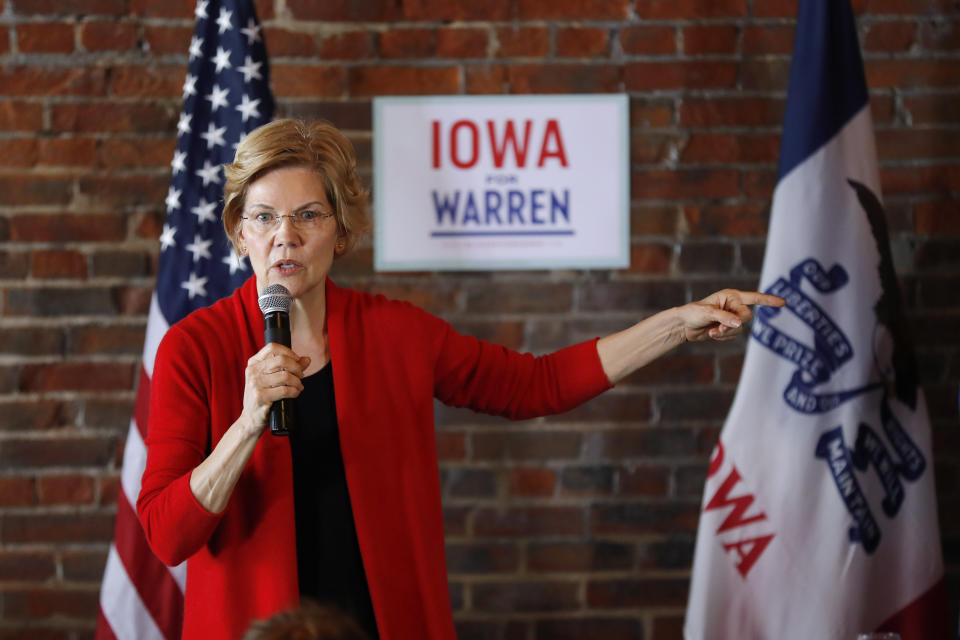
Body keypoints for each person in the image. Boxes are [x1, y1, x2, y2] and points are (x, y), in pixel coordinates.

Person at [137, 119, 784, 640]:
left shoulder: (396, 333)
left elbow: (536, 385)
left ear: (340, 232)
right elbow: (166, 538)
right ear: (238, 233)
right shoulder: (194, 349)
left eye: (308, 215)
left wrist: (674, 325)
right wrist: (248, 423)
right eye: (264, 218)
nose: (286, 237)